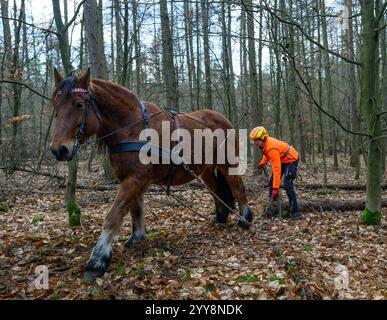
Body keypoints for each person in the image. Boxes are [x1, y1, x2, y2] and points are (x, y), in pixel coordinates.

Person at [250, 126, 300, 218]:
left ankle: (295, 212)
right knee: (271, 182)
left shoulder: (271, 148)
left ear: (263, 138)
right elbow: (266, 154)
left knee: (288, 185)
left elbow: (277, 169)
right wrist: (263, 163)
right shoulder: (266, 144)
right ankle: (272, 207)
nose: (255, 142)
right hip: (283, 159)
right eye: (254, 140)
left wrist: (275, 189)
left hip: (291, 159)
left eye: (256, 140)